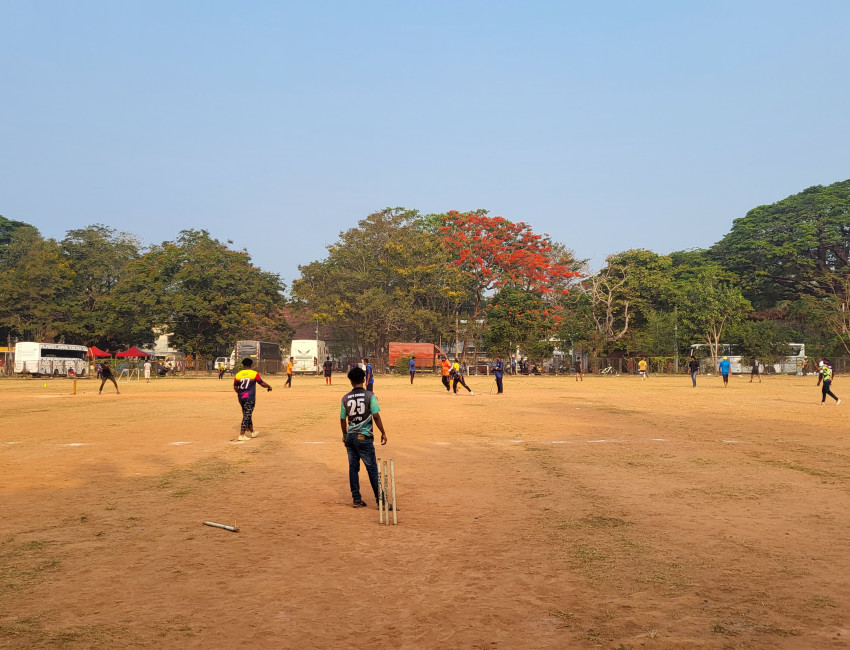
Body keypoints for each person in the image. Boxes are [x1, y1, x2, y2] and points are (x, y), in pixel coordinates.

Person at [340, 366, 388, 508]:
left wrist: (344, 435)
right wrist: (383, 432)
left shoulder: (345, 398)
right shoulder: (369, 396)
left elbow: (343, 419)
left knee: (353, 468)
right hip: (364, 437)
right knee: (372, 468)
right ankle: (381, 501)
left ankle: (356, 499)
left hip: (350, 437)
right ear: (363, 380)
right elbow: (376, 416)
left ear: (351, 382)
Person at [233, 358, 272, 441]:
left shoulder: (238, 374)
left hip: (241, 397)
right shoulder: (254, 374)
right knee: (247, 415)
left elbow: (235, 387)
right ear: (251, 365)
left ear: (243, 365)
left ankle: (252, 432)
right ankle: (242, 434)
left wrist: (240, 393)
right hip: (250, 397)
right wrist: (269, 386)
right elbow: (261, 383)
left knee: (247, 413)